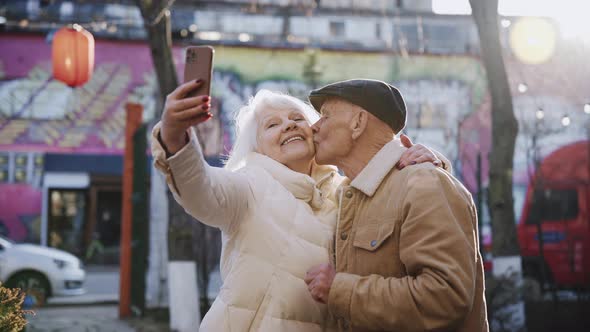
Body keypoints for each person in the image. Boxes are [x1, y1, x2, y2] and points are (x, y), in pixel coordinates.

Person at [152, 79, 446, 331]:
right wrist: (175, 138)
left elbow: (400, 192)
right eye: (272, 125)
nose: (288, 125)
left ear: (315, 132)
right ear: (258, 148)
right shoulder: (249, 185)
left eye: (297, 118)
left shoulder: (346, 195)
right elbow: (202, 190)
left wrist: (429, 160)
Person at [304, 79, 489, 332]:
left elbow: (445, 298)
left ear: (357, 123)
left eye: (325, 116)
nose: (314, 127)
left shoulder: (424, 184)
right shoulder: (346, 198)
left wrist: (340, 290)